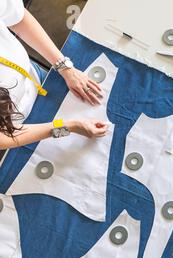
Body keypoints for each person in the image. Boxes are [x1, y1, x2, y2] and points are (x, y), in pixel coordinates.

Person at [0, 0, 109, 151]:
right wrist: (69, 127)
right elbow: (4, 137)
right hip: (19, 127)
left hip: (34, 79)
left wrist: (64, 67)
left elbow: (18, 19)